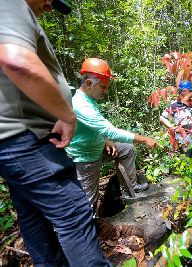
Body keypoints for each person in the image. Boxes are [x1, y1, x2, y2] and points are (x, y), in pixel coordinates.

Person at [0, 1, 111, 266]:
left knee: (33, 215)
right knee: (74, 213)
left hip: (13, 140)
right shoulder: (10, 3)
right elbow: (16, 60)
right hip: (26, 138)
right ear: (88, 82)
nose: (50, 5)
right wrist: (65, 114)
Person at [66, 58, 157, 208]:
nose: (105, 91)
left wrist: (105, 140)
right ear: (89, 83)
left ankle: (130, 189)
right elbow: (109, 130)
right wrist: (145, 139)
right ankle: (86, 227)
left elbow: (96, 129)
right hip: (85, 156)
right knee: (88, 201)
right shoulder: (80, 105)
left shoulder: (89, 100)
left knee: (126, 149)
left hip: (97, 146)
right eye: (102, 87)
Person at [160, 80, 192, 153]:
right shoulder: (175, 105)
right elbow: (162, 118)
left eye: (190, 91)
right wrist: (171, 127)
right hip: (182, 139)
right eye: (184, 91)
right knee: (184, 160)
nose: (189, 93)